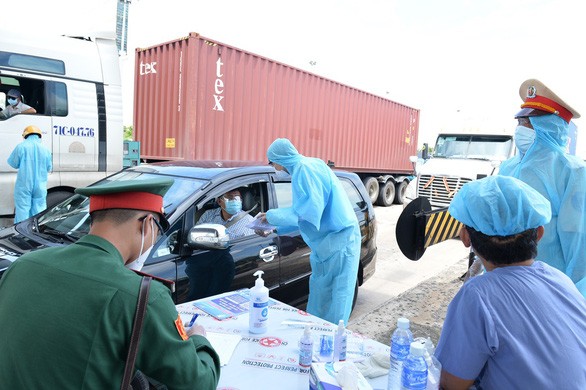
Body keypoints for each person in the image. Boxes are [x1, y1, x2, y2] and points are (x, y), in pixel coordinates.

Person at [0, 178, 221, 388]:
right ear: (147, 224)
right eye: (159, 228)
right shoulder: (143, 295)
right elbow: (199, 383)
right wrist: (199, 340)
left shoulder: (23, 265)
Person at [435, 175, 586, 389]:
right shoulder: (560, 279)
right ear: (540, 234)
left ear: (465, 237)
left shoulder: (477, 296)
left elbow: (451, 384)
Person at [258, 138, 361, 324]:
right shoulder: (304, 168)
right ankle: (317, 337)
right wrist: (274, 225)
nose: (273, 166)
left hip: (339, 241)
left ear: (279, 158)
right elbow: (305, 217)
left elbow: (310, 211)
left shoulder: (305, 169)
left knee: (337, 300)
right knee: (321, 297)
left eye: (271, 161)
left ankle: (330, 344)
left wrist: (272, 216)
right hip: (328, 245)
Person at [499, 78, 586, 296]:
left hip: (548, 291)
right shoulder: (508, 167)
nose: (521, 129)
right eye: (520, 122)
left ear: (550, 127)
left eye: (529, 123)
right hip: (504, 284)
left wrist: (571, 299)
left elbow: (577, 245)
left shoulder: (571, 172)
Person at [186, 188, 255, 300]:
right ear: (219, 201)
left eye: (237, 198)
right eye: (230, 198)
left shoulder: (249, 222)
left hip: (227, 264)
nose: (234, 201)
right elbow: (195, 234)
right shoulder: (209, 215)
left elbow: (248, 249)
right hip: (203, 260)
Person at [7, 125, 52, 222]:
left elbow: (13, 164)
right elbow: (49, 167)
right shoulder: (46, 150)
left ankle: (21, 233)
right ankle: (35, 231)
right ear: (39, 136)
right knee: (39, 209)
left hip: (24, 184)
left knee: (22, 209)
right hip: (40, 185)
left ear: (25, 135)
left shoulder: (21, 146)